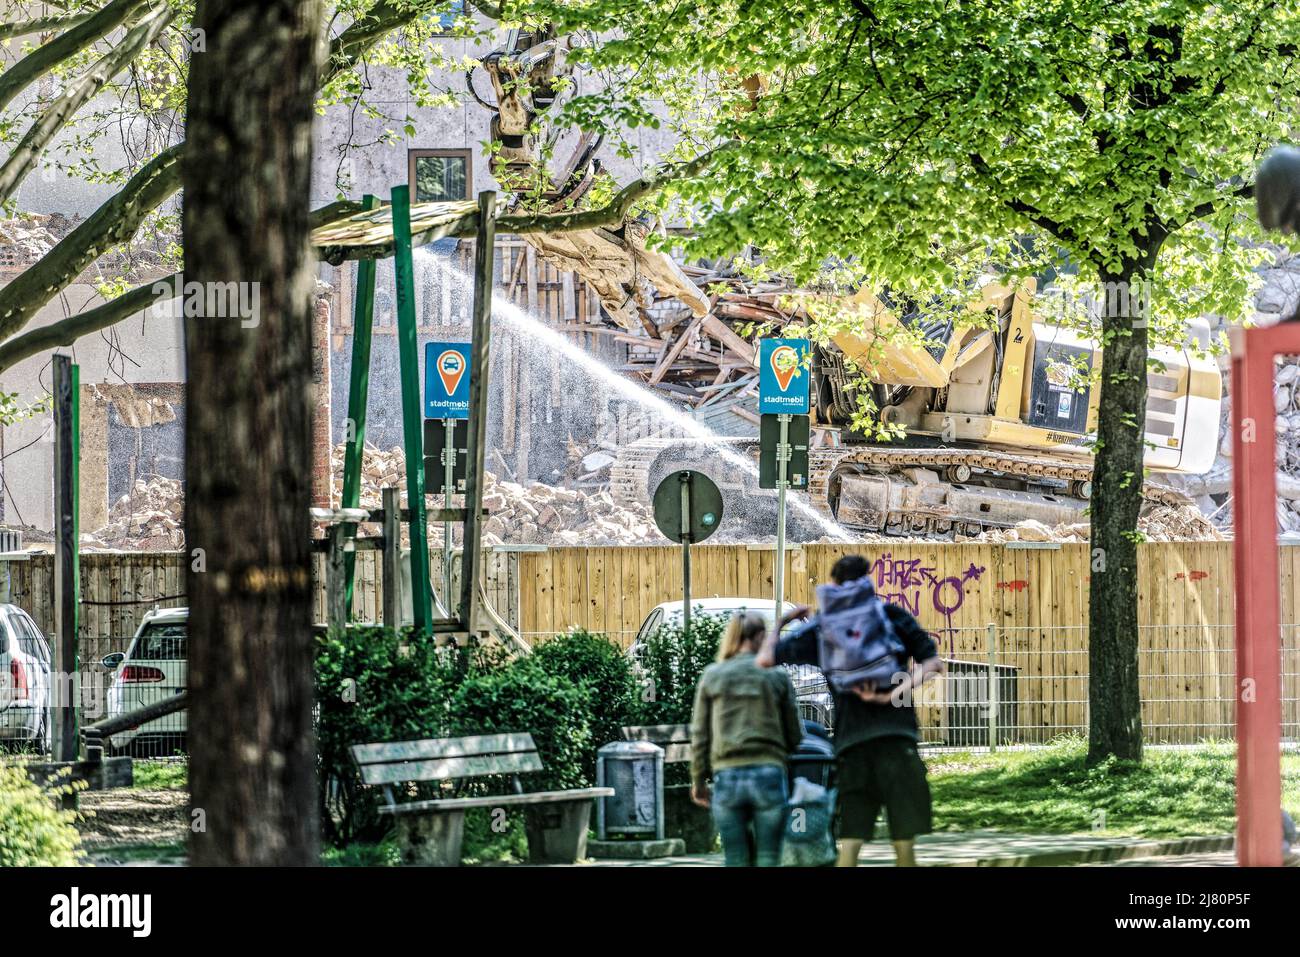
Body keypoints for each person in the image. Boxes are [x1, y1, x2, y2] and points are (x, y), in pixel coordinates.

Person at [757, 555, 945, 867]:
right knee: (905, 848)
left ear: (833, 584)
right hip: (898, 739)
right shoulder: (892, 617)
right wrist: (895, 692)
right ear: (867, 580)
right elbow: (933, 664)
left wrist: (783, 622)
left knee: (850, 847)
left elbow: (764, 660)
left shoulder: (823, 630)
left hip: (851, 745)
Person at [690, 611, 804, 866]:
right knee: (768, 858)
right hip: (769, 773)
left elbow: (700, 734)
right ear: (761, 636)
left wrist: (698, 780)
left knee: (736, 858)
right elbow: (795, 733)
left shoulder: (713, 675)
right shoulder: (776, 676)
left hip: (727, 776)